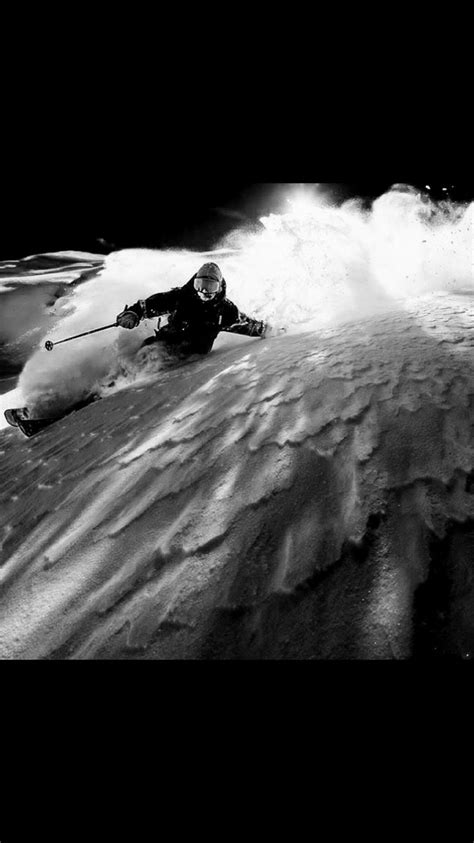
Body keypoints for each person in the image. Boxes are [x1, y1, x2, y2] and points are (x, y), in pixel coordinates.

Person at [115, 262, 267, 356]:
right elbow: (150, 305)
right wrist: (133, 313)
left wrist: (269, 330)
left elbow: (247, 325)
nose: (204, 291)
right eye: (200, 285)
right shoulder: (181, 297)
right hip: (161, 346)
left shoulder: (225, 310)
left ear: (219, 287)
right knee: (142, 356)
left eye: (210, 286)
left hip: (190, 361)